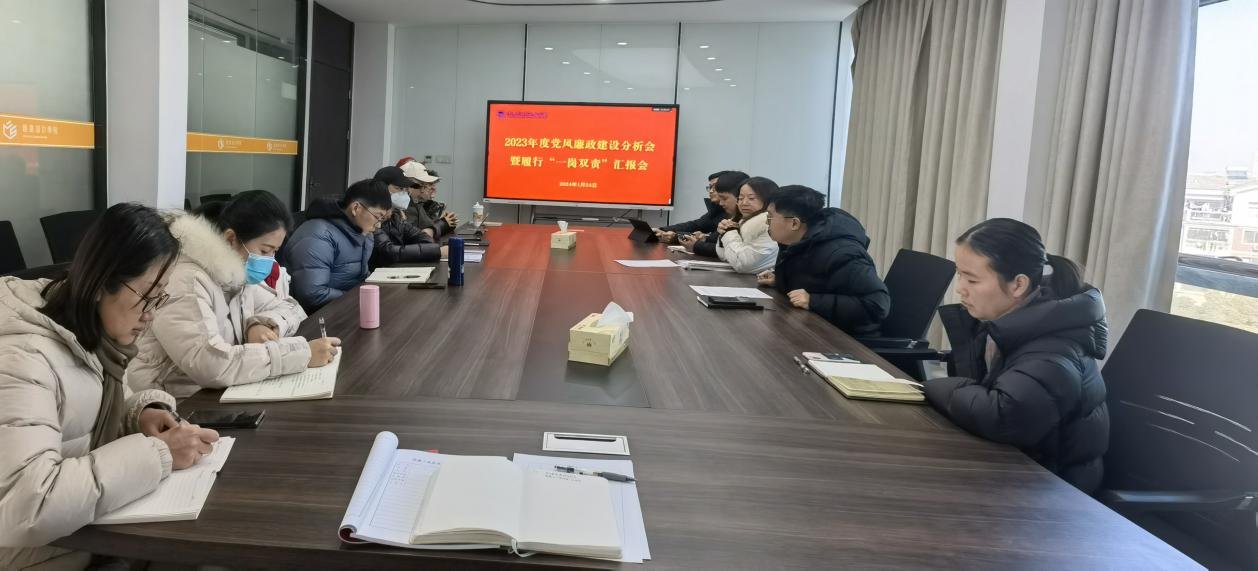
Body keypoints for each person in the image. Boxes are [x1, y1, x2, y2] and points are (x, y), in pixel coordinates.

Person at [0, 203, 219, 569]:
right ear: (102, 283)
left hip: (85, 537)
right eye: (148, 296)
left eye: (160, 297)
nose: (151, 314)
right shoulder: (22, 358)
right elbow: (26, 506)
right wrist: (159, 454)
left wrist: (142, 412)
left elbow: (90, 406)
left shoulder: (86, 330)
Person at [923, 218, 1109, 494]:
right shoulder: (1004, 324)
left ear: (1018, 285)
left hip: (1053, 495)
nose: (960, 288)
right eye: (959, 275)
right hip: (1015, 472)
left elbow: (1004, 415)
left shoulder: (1054, 351)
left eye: (972, 279)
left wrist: (932, 385)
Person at [128, 191, 341, 398]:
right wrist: (301, 354)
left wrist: (263, 323)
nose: (270, 260)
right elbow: (209, 364)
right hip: (173, 402)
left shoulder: (236, 273)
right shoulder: (186, 279)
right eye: (264, 251)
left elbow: (292, 307)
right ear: (231, 239)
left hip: (220, 392)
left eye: (275, 252)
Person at [757, 185, 889, 335]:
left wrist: (813, 301)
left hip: (845, 338)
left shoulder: (842, 253)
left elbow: (877, 304)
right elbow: (815, 282)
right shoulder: (796, 243)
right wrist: (781, 280)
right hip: (810, 327)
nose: (767, 223)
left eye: (770, 217)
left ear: (794, 223)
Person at [283, 179, 392, 311]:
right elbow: (312, 294)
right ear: (356, 208)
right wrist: (360, 298)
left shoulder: (363, 232)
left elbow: (359, 277)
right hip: (317, 315)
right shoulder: (319, 235)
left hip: (346, 306)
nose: (378, 225)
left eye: (382, 219)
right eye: (377, 216)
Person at [370, 166, 448, 267]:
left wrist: (432, 248)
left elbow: (420, 236)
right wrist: (436, 251)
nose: (404, 193)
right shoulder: (372, 216)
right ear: (381, 188)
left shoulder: (395, 216)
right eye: (399, 188)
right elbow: (389, 251)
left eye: (405, 189)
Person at [715, 176, 779, 274]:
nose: (744, 203)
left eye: (751, 198)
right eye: (740, 198)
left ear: (769, 200)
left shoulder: (769, 225)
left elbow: (743, 265)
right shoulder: (743, 222)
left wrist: (729, 233)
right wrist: (723, 234)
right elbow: (726, 257)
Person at [655, 170, 740, 243]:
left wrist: (677, 237)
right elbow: (695, 225)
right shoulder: (717, 209)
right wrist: (662, 229)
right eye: (710, 187)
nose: (710, 191)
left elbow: (715, 240)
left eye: (715, 187)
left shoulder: (737, 212)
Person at [679, 171, 745, 258]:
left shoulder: (751, 222)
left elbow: (736, 253)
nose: (721, 203)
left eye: (724, 198)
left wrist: (697, 246)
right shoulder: (732, 216)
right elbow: (718, 242)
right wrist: (705, 239)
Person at [397, 157, 458, 238]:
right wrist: (442, 224)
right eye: (422, 186)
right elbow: (418, 236)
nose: (423, 190)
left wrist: (443, 222)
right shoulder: (403, 206)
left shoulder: (416, 203)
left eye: (425, 185)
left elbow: (426, 227)